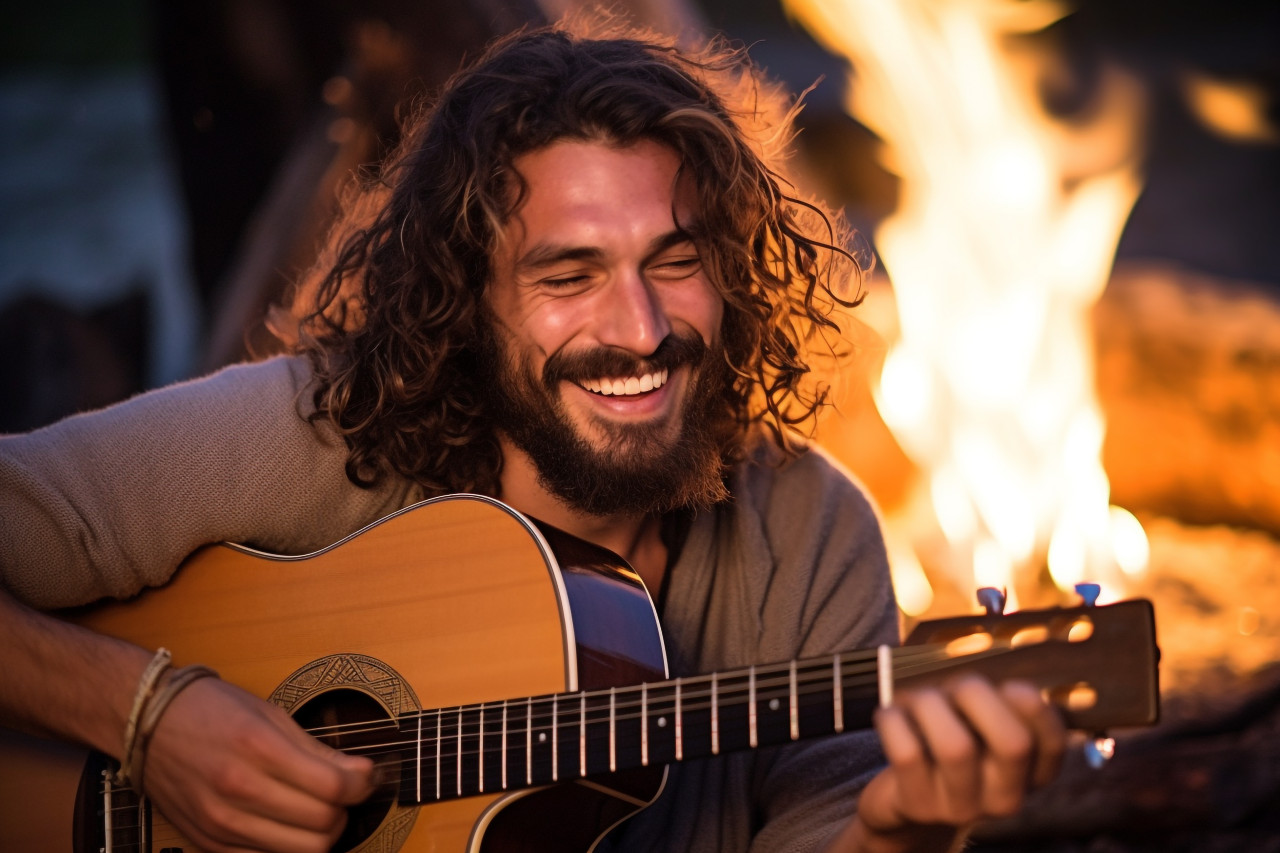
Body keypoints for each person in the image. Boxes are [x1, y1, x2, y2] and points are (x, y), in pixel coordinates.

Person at [0, 21, 1065, 853]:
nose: (639, 329)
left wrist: (905, 825)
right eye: (568, 275)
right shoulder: (318, 430)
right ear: (467, 303)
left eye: (674, 260)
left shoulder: (806, 531)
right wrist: (146, 715)